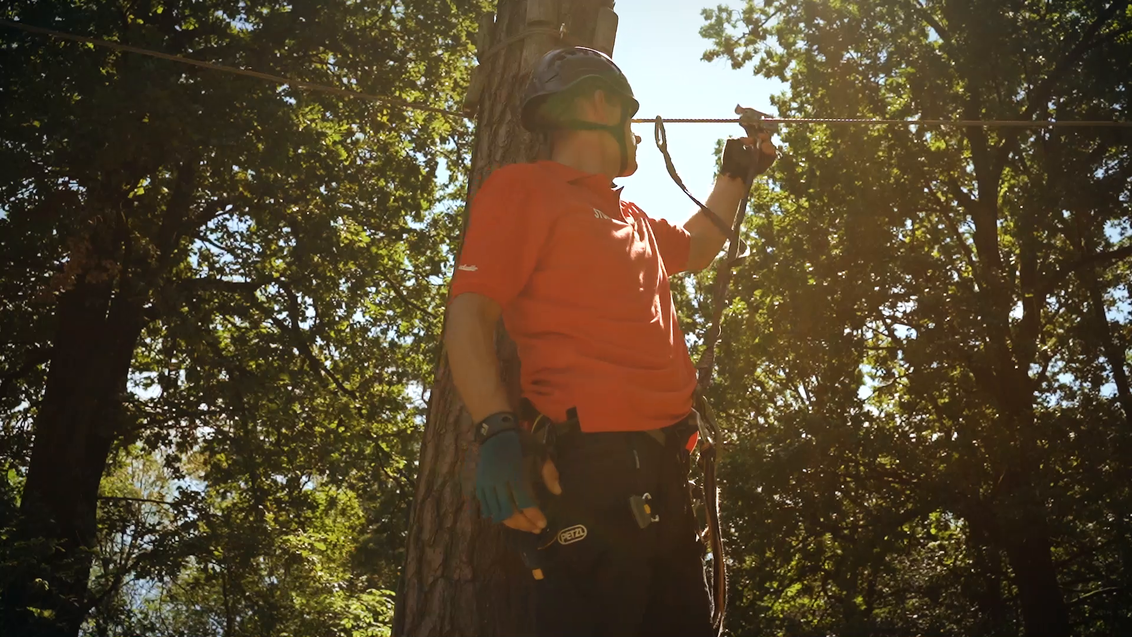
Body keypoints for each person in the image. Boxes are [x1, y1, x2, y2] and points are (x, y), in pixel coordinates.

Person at [445, 46, 776, 637]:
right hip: (592, 474)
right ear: (600, 103)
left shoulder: (634, 218)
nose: (639, 136)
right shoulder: (524, 189)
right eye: (631, 117)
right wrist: (495, 432)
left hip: (666, 473)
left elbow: (698, 247)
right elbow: (469, 316)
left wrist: (737, 172)